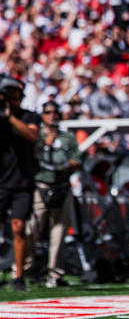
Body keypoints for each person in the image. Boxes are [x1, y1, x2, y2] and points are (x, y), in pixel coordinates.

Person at [26, 101, 81, 288]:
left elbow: (78, 159)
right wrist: (43, 144)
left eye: (55, 112)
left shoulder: (68, 137)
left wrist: (70, 165)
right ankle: (27, 268)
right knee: (30, 229)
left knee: (59, 231)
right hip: (40, 184)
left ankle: (54, 274)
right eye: (48, 112)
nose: (52, 115)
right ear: (42, 115)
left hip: (62, 185)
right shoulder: (36, 135)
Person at [0, 75, 40, 292]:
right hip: (1, 180)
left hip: (21, 181)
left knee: (19, 227)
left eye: (16, 99)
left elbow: (32, 135)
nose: (12, 102)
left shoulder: (28, 116)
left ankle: (18, 275)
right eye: (8, 99)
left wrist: (10, 118)